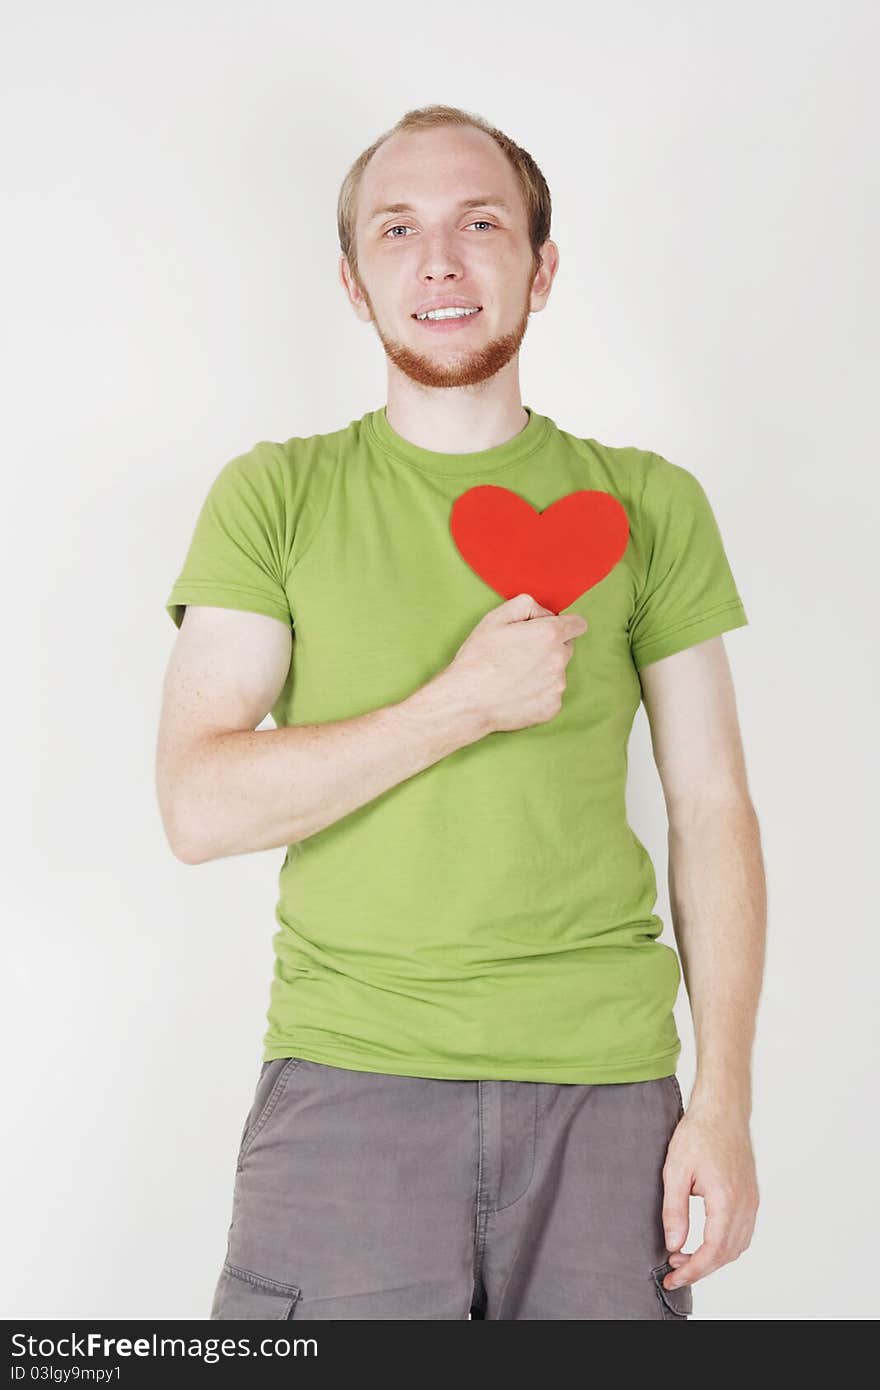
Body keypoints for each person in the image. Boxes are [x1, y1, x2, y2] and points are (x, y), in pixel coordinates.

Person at [156, 104, 766, 1321]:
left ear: (540, 268)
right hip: (347, 1086)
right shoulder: (275, 495)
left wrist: (725, 1100)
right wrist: (456, 705)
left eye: (479, 223)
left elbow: (712, 809)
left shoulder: (646, 503)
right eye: (398, 229)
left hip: (606, 1097)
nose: (438, 260)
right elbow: (198, 805)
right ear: (352, 280)